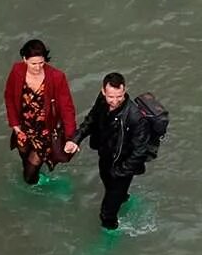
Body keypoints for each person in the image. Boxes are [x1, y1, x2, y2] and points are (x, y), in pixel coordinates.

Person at [64, 73, 159, 231]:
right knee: (110, 187)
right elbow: (91, 121)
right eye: (111, 97)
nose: (115, 101)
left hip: (123, 166)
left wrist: (121, 171)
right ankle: (123, 198)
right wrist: (75, 139)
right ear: (103, 91)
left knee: (106, 214)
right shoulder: (101, 101)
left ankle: (109, 238)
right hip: (106, 156)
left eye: (119, 96)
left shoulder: (135, 117)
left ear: (125, 90)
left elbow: (140, 150)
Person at [3, 39, 77, 187]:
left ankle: (38, 183)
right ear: (24, 59)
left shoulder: (57, 77)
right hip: (23, 127)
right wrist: (16, 127)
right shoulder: (17, 71)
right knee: (25, 159)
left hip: (45, 131)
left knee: (29, 175)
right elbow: (9, 97)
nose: (37, 68)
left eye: (41, 63)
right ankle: (35, 174)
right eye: (33, 64)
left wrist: (70, 137)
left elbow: (67, 108)